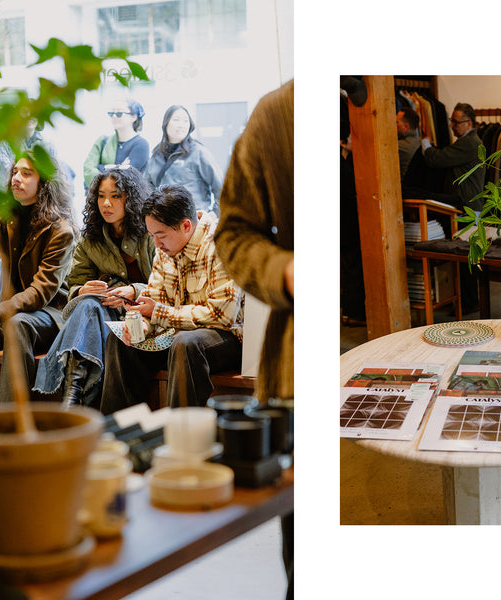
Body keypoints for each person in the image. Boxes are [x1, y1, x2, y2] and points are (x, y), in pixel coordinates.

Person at [214, 79, 293, 600]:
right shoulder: (280, 112)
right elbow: (234, 231)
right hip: (297, 366)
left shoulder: (392, 106)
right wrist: (282, 270)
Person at [99, 184, 243, 413]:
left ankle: (181, 429)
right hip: (175, 337)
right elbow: (154, 298)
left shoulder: (222, 244)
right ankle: (122, 428)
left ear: (186, 226)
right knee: (120, 341)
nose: (156, 244)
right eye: (152, 236)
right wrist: (141, 325)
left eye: (161, 236)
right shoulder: (164, 249)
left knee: (185, 343)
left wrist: (157, 313)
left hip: (225, 338)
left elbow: (221, 316)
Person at [0, 149, 77, 406]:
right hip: (9, 312)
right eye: (14, 172)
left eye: (26, 173)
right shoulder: (5, 217)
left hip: (48, 315)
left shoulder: (61, 230)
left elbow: (39, 293)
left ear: (44, 183)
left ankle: (7, 418)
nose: (16, 179)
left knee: (17, 324)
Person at [32, 166, 155, 407]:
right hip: (102, 314)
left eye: (115, 196)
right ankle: (74, 397)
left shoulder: (150, 232)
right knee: (88, 304)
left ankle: (72, 399)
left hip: (142, 319)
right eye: (101, 196)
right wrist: (82, 290)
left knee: (89, 309)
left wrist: (134, 290)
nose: (106, 203)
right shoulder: (90, 237)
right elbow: (74, 286)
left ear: (131, 199)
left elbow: (165, 284)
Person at [142, 105, 224, 216]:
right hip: (163, 219)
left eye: (186, 121)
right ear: (166, 123)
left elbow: (220, 186)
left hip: (193, 219)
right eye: (176, 120)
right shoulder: (156, 155)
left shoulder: (198, 152)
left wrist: (214, 213)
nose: (181, 125)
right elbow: (146, 188)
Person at [419, 101, 485, 211]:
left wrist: (425, 144)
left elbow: (437, 159)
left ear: (468, 123)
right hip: (468, 207)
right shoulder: (470, 141)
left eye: (455, 122)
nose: (451, 125)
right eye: (451, 121)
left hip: (468, 209)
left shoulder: (469, 142)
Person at [83, 97, 150, 191]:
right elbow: (88, 169)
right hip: (100, 197)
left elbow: (125, 178)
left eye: (119, 113)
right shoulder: (103, 141)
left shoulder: (141, 144)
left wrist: (101, 167)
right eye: (111, 113)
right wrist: (117, 167)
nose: (114, 116)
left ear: (134, 117)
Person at [396, 106, 421, 180]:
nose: (394, 124)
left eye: (397, 122)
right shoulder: (418, 143)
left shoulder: (399, 146)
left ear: (406, 127)